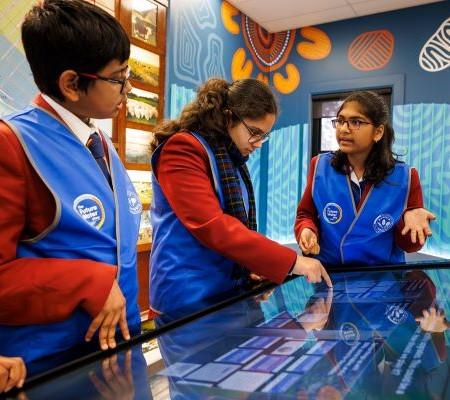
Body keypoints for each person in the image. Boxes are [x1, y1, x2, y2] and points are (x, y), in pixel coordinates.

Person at [0, 0, 141, 364]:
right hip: (53, 359)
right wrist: (88, 283)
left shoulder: (101, 143)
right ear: (72, 83)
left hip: (116, 350)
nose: (127, 89)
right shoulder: (13, 143)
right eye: (118, 78)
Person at [150, 77, 332, 315]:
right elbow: (213, 225)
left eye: (263, 136)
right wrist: (292, 261)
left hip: (227, 291)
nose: (257, 144)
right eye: (254, 133)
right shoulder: (182, 149)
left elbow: (239, 226)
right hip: (189, 295)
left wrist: (253, 266)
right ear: (228, 116)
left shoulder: (231, 158)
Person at [294, 90, 435, 266]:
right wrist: (307, 230)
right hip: (329, 278)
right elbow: (305, 214)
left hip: (381, 283)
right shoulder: (319, 166)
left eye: (356, 122)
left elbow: (410, 246)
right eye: (340, 121)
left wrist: (408, 221)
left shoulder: (405, 177)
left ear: (378, 132)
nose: (344, 129)